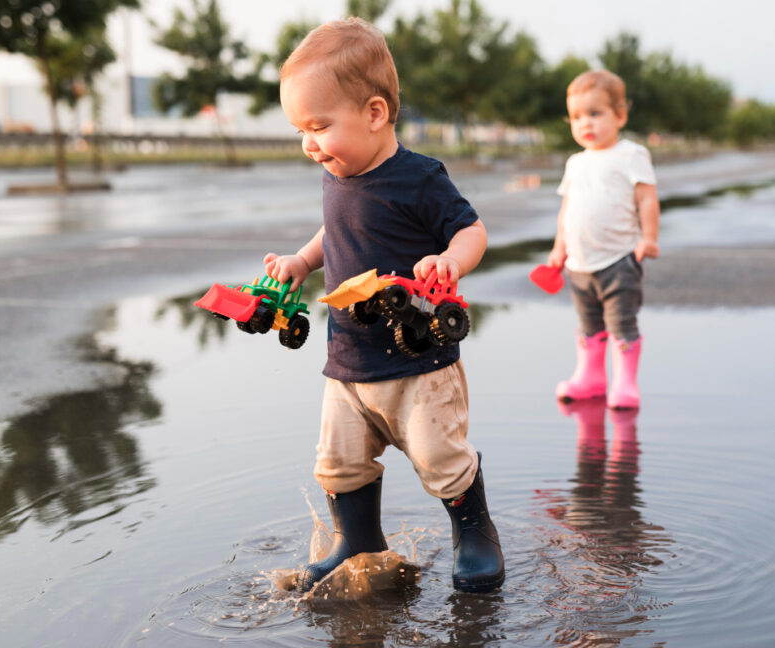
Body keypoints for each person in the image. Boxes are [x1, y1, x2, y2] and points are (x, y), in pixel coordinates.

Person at [263, 17, 504, 594]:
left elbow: (473, 231)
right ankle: (359, 538)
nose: (309, 144)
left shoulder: (420, 179)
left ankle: (474, 534)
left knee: (439, 457)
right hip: (347, 359)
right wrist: (300, 263)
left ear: (374, 114)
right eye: (301, 129)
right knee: (340, 461)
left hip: (419, 362)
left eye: (319, 126)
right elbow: (335, 232)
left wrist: (450, 260)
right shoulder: (337, 175)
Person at [548, 69, 660, 409]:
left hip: (619, 260)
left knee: (621, 322)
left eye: (595, 114)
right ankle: (591, 377)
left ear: (620, 115)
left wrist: (649, 237)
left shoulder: (631, 154)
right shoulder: (575, 162)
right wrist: (559, 247)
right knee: (588, 323)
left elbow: (647, 199)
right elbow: (567, 208)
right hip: (579, 264)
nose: (586, 124)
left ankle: (625, 383)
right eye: (577, 116)